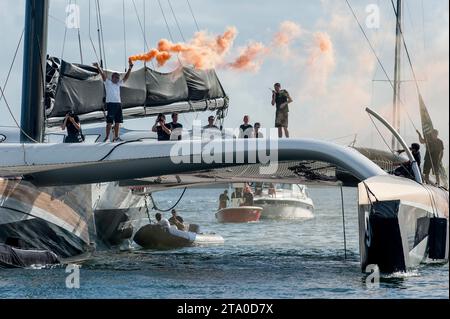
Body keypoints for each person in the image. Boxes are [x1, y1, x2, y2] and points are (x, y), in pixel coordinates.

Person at [94, 60, 134, 142]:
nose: (117, 79)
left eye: (118, 78)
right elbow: (103, 75)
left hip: (118, 104)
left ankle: (116, 137)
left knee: (118, 122)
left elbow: (126, 77)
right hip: (111, 104)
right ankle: (107, 137)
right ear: (112, 77)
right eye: (116, 77)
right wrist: (98, 67)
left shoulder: (118, 84)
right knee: (109, 122)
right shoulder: (108, 83)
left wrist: (130, 68)